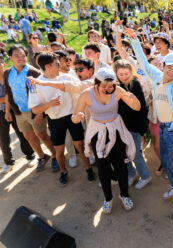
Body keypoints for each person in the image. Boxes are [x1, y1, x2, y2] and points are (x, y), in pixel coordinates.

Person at [124, 27, 173, 206]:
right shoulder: (157, 77)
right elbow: (143, 62)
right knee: (165, 160)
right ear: (163, 66)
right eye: (169, 67)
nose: (171, 71)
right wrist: (134, 41)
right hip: (162, 126)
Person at [72, 67, 140, 213]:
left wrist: (134, 100)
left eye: (111, 86)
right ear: (96, 82)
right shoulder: (86, 94)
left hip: (115, 130)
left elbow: (137, 108)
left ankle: (124, 195)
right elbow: (74, 117)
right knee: (103, 168)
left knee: (121, 166)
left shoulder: (118, 91)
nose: (108, 89)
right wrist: (77, 117)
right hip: (98, 132)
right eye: (104, 86)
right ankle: (108, 198)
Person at [27, 52, 95, 186]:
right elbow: (35, 110)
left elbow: (80, 90)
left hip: (72, 117)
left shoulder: (67, 76)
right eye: (56, 64)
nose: (60, 65)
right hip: (55, 120)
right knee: (59, 150)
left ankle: (89, 169)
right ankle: (63, 172)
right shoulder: (36, 84)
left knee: (80, 146)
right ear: (47, 66)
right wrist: (49, 104)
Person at [4, 45, 58, 172]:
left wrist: (40, 113)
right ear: (10, 57)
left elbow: (42, 93)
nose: (21, 58)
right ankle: (42, 156)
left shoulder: (33, 72)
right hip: (18, 112)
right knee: (28, 135)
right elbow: (8, 92)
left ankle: (55, 156)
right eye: (17, 55)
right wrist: (8, 111)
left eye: (23, 55)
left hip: (34, 111)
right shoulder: (7, 73)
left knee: (42, 134)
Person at [113, 59, 151, 189]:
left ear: (131, 72)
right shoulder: (115, 86)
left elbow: (141, 109)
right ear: (115, 73)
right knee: (123, 154)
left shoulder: (135, 84)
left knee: (135, 154)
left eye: (126, 74)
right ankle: (131, 174)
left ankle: (145, 176)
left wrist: (141, 130)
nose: (124, 77)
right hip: (119, 127)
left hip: (133, 127)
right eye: (121, 74)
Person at [0, 58, 35, 174]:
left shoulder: (9, 75)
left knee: (23, 134)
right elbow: (11, 95)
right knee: (3, 139)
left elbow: (12, 95)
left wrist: (8, 98)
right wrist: (8, 97)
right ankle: (8, 162)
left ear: (3, 64)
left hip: (15, 109)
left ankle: (30, 156)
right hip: (1, 112)